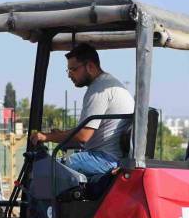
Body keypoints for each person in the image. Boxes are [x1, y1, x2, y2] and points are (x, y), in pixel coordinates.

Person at [29, 43, 135, 177]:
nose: (69, 75)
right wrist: (61, 135)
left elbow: (83, 136)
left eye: (73, 69)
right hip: (110, 157)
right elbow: (84, 133)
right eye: (68, 70)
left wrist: (47, 137)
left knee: (46, 170)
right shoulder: (109, 84)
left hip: (105, 159)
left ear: (90, 66)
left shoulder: (99, 90)